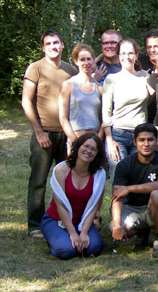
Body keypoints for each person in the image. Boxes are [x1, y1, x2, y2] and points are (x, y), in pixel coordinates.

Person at [22, 30, 78, 238]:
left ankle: (61, 220)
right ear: (43, 47)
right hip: (44, 133)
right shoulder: (35, 68)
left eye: (57, 43)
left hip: (67, 135)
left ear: (62, 45)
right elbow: (26, 100)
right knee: (39, 181)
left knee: (66, 182)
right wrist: (38, 131)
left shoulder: (70, 70)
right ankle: (35, 225)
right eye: (49, 43)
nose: (53, 46)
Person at [111, 123, 158, 258]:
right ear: (134, 142)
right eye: (141, 140)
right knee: (115, 227)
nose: (146, 144)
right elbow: (117, 196)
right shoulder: (124, 164)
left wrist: (129, 188)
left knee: (157, 194)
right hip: (133, 209)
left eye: (150, 140)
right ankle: (142, 233)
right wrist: (117, 226)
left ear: (157, 142)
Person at [41, 133, 106, 259]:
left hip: (82, 221)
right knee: (66, 250)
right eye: (86, 146)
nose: (88, 151)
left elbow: (93, 206)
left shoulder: (99, 174)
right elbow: (61, 206)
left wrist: (84, 233)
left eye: (93, 149)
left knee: (94, 248)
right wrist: (72, 233)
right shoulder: (61, 170)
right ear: (78, 147)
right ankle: (58, 240)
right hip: (56, 220)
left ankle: (71, 241)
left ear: (97, 154)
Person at [102, 39, 150, 178]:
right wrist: (109, 140)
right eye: (123, 53)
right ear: (118, 56)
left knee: (138, 179)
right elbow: (106, 111)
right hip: (118, 136)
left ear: (136, 56)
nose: (127, 57)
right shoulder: (112, 79)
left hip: (140, 135)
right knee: (119, 179)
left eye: (130, 53)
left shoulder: (145, 76)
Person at [58, 44, 103, 155]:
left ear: (93, 61)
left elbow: (105, 118)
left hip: (95, 139)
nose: (86, 63)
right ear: (76, 61)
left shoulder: (100, 88)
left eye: (89, 59)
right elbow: (63, 117)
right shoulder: (68, 85)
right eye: (82, 59)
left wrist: (98, 139)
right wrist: (74, 140)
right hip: (76, 137)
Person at [138, 29, 158, 123]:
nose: (152, 50)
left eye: (156, 46)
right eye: (149, 47)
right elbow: (119, 53)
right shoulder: (140, 60)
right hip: (144, 118)